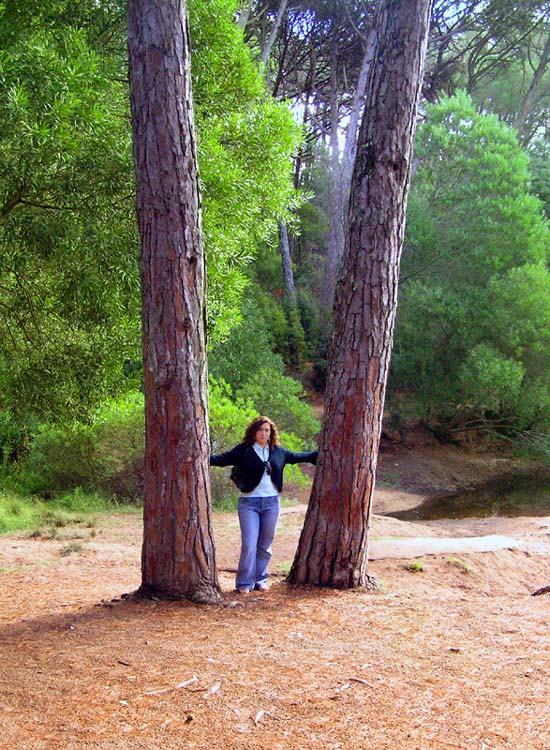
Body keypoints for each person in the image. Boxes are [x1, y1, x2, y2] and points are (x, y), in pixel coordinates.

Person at [210, 416, 317, 594]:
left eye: (267, 430)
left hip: (271, 504)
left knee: (265, 545)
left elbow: (299, 456)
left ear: (271, 433)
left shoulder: (278, 452)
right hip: (249, 504)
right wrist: (198, 455)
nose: (264, 433)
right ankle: (244, 583)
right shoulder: (243, 451)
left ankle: (260, 579)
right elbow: (221, 459)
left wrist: (320, 454)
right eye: (260, 430)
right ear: (254, 432)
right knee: (250, 544)